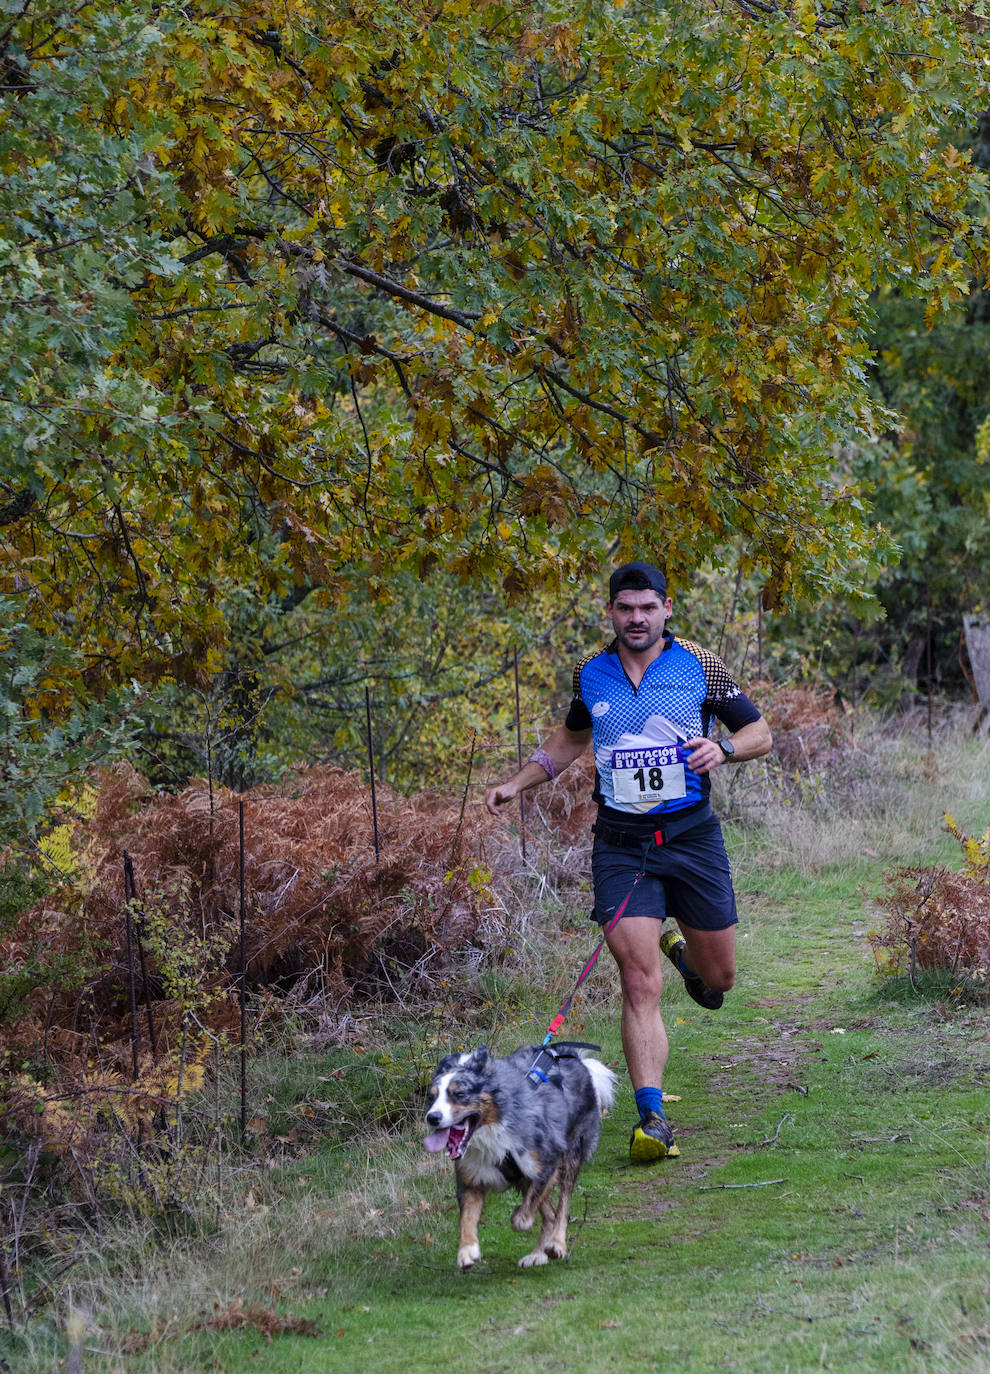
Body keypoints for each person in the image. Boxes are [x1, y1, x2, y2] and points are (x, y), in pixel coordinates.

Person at [485, 561, 773, 1164]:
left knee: (718, 981)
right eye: (625, 608)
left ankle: (685, 956)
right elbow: (569, 739)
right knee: (638, 982)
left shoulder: (699, 664)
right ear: (611, 612)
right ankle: (652, 1119)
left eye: (648, 607)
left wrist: (720, 747)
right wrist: (518, 784)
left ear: (667, 609)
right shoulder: (591, 673)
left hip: (692, 839)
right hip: (621, 846)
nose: (636, 618)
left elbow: (761, 733)